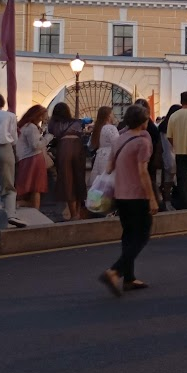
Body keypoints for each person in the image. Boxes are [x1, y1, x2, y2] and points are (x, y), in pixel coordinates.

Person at [97, 104, 159, 296]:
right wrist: (152, 198)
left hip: (120, 195)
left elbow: (108, 168)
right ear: (143, 121)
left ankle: (129, 278)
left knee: (128, 235)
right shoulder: (143, 141)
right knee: (142, 235)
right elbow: (143, 172)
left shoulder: (120, 139)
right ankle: (115, 271)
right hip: (137, 195)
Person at [49, 101, 86, 221]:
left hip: (64, 149)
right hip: (77, 147)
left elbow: (53, 135)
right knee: (79, 179)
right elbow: (82, 134)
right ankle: (78, 212)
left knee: (68, 180)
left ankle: (73, 213)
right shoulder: (76, 122)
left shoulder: (54, 123)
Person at [15, 105, 49, 210]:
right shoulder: (31, 127)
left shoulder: (24, 126)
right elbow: (35, 145)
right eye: (43, 116)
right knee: (36, 187)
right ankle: (32, 208)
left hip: (25, 158)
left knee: (26, 185)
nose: (44, 118)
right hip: (33, 158)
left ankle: (22, 204)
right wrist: (47, 139)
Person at [88, 106, 119, 188]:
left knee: (99, 184)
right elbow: (117, 143)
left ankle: (97, 200)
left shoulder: (98, 128)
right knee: (109, 184)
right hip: (109, 157)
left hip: (100, 156)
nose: (113, 116)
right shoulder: (111, 128)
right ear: (108, 116)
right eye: (112, 114)